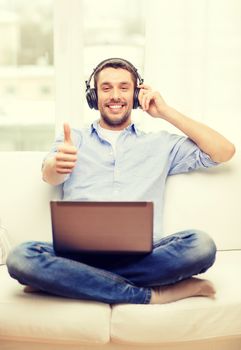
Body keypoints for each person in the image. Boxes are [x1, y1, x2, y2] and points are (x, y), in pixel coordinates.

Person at [7, 58, 235, 304]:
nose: (115, 95)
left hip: (144, 256)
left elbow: (223, 151)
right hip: (77, 257)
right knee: (21, 257)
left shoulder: (160, 144)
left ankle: (70, 282)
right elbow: (50, 174)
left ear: (137, 95)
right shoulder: (74, 139)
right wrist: (56, 165)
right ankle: (149, 294)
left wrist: (165, 112)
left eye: (124, 87)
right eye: (106, 88)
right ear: (93, 96)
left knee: (201, 245)